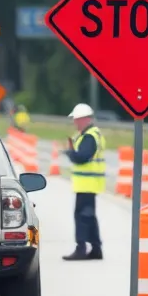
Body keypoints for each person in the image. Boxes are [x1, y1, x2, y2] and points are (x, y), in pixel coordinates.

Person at [62, 102, 105, 260]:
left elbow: (82, 157)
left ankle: (81, 248)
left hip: (87, 184)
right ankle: (96, 249)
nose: (74, 122)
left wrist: (71, 153)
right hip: (88, 184)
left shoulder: (89, 136)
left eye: (76, 119)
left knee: (82, 217)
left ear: (85, 119)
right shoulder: (89, 134)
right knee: (89, 217)